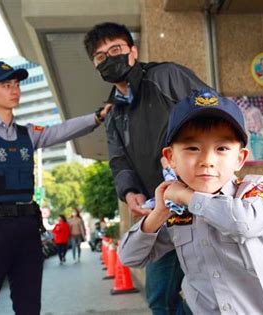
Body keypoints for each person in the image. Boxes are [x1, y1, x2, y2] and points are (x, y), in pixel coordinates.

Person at [0, 61, 111, 315]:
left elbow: (59, 131)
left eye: (16, 84)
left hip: (27, 231)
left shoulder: (27, 134)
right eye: (6, 85)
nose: (14, 90)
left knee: (29, 308)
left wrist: (97, 117)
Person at [118, 89, 263, 314]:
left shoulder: (256, 190)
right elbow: (130, 257)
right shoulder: (176, 213)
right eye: (192, 148)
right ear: (170, 158)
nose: (207, 160)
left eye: (222, 148)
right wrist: (158, 214)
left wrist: (186, 196)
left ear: (240, 158)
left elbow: (244, 223)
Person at [84, 22, 209, 315]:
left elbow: (212, 112)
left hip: (200, 201)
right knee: (160, 299)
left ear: (133, 51)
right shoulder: (113, 113)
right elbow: (119, 160)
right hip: (162, 213)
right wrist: (129, 192)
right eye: (101, 56)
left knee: (215, 292)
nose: (109, 58)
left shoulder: (166, 76)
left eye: (116, 49)